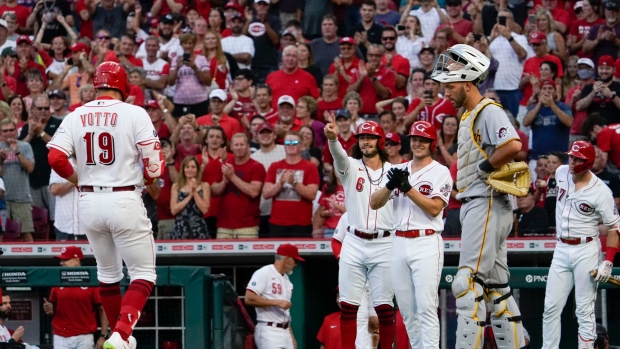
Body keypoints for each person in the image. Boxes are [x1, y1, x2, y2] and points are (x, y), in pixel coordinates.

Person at [47, 61, 164, 349]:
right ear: (122, 85)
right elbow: (155, 167)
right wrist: (150, 178)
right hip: (123, 196)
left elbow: (55, 159)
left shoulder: (76, 114)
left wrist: (77, 179)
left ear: (97, 85)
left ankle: (118, 336)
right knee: (143, 273)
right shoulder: (134, 112)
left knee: (108, 275)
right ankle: (122, 333)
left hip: (88, 201)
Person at [432, 44, 526, 348]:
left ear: (469, 82)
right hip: (485, 204)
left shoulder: (487, 110)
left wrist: (487, 165)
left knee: (466, 282)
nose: (446, 92)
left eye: (451, 85)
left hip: (485, 202)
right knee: (497, 288)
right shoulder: (470, 114)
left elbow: (513, 145)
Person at [370, 120, 452, 349]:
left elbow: (435, 208)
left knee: (426, 306)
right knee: (406, 309)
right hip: (398, 241)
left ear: (432, 143)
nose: (418, 143)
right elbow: (374, 203)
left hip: (426, 241)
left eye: (423, 140)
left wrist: (408, 188)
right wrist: (390, 185)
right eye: (415, 139)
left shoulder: (440, 171)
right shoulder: (398, 169)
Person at [324, 119, 395, 349]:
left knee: (384, 308)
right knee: (348, 306)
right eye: (362, 137)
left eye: (370, 137)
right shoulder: (352, 167)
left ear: (380, 141)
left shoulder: (394, 172)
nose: (365, 141)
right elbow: (339, 157)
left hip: (385, 242)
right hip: (353, 240)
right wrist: (333, 139)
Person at [542, 141, 620, 349]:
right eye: (571, 156)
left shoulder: (601, 191)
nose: (573, 161)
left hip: (586, 249)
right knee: (550, 307)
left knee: (584, 310)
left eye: (578, 159)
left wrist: (608, 262)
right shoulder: (560, 172)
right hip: (561, 248)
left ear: (588, 162)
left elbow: (614, 228)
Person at [44, 246, 109, 349]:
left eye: (65, 260)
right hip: (61, 336)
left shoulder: (91, 280)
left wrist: (103, 335)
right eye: (61, 260)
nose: (61, 263)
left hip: (84, 336)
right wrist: (49, 309)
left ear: (76, 260)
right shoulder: (57, 280)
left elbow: (103, 309)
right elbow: (53, 309)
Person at [245, 243, 303, 349]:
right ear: (287, 258)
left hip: (285, 330)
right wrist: (276, 302)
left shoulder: (287, 280)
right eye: (295, 261)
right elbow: (249, 298)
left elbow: (285, 313)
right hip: (268, 330)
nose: (296, 264)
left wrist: (291, 336)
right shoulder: (264, 273)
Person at [262, 132, 320, 237]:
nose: (291, 145)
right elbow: (266, 194)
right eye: (287, 142)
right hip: (277, 223)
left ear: (301, 146)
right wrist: (280, 183)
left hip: (301, 224)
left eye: (294, 142)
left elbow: (312, 194)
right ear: (284, 146)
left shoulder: (310, 167)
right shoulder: (274, 166)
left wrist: (294, 183)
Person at [212, 133, 266, 238]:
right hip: (224, 226)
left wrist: (232, 177)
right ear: (231, 147)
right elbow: (213, 191)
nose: (239, 147)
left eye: (242, 144)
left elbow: (254, 192)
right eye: (236, 145)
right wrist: (224, 182)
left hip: (247, 226)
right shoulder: (225, 165)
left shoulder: (257, 167)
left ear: (248, 146)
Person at [0, 118, 35, 242]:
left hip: (22, 198)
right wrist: (1, 161)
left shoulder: (25, 146)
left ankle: (32, 261)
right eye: (5, 131)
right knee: (1, 235)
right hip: (2, 200)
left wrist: (18, 152)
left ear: (16, 131)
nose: (9, 133)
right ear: (0, 133)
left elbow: (30, 168)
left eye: (11, 130)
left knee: (26, 233)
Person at [170, 156, 210, 240]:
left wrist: (194, 191)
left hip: (198, 228)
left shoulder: (204, 186)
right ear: (183, 169)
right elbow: (173, 210)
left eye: (193, 167)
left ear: (197, 169)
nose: (190, 169)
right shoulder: (176, 186)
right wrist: (189, 196)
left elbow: (205, 209)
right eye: (187, 167)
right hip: (181, 228)